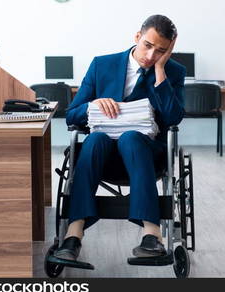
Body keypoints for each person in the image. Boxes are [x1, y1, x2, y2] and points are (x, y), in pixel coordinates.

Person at [54, 15, 186, 261]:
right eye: (148, 45)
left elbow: (173, 119)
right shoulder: (101, 65)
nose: (150, 56)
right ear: (137, 36)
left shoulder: (173, 72)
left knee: (131, 138)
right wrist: (93, 104)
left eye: (161, 51)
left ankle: (152, 235)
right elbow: (71, 116)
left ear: (169, 51)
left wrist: (160, 71)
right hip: (102, 154)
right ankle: (73, 235)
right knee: (94, 140)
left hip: (144, 153)